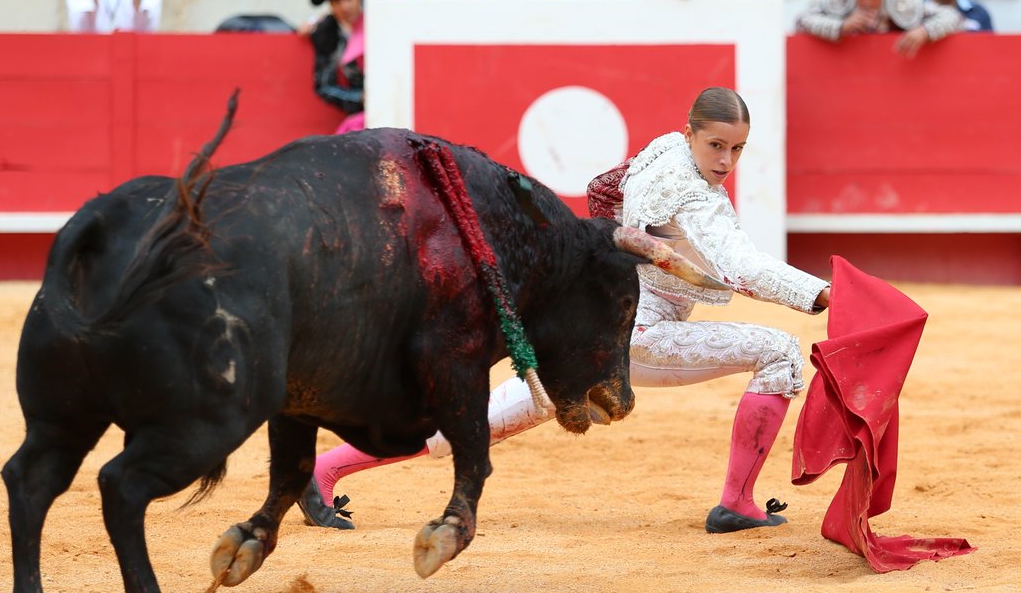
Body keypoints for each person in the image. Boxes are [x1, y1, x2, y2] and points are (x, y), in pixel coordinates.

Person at [297, 87, 833, 535]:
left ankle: (323, 469)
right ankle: (735, 503)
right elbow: (741, 266)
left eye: (737, 150)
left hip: (588, 332)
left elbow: (604, 187)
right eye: (716, 145)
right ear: (690, 133)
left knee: (477, 419)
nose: (725, 162)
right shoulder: (695, 195)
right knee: (782, 353)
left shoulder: (662, 152)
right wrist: (822, 294)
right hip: (638, 337)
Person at [796, 0, 963, 58]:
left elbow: (952, 16)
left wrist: (924, 31)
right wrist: (841, 26)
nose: (867, 3)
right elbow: (801, 20)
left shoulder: (902, 2)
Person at [303, 0, 365, 134]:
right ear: (330, 4)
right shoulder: (326, 33)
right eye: (337, 1)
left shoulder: (381, 18)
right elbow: (325, 86)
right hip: (362, 111)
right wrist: (360, 97)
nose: (345, 7)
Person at [66, 0, 162, 33]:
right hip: (94, 59)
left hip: (133, 60)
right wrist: (92, 0)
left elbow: (149, 31)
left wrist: (137, 1)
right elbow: (80, 31)